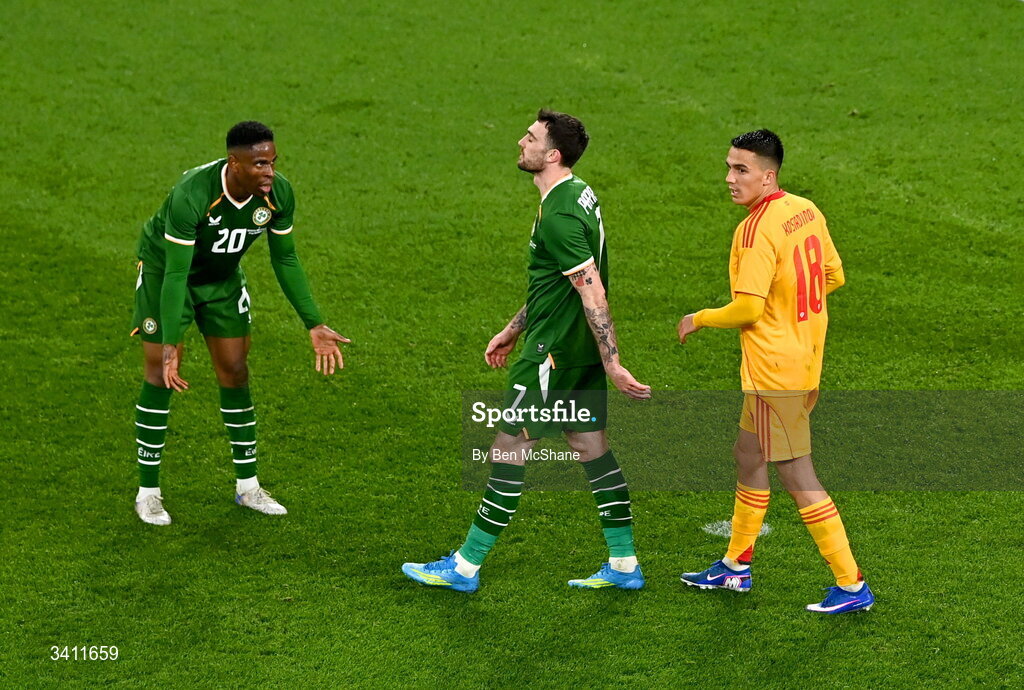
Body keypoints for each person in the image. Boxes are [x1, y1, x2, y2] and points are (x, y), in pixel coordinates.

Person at [402, 110, 651, 592]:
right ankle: (624, 565)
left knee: (509, 446)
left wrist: (613, 362)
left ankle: (465, 566)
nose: (521, 141)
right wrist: (514, 326)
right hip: (569, 346)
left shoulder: (558, 214)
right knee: (589, 446)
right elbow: (559, 282)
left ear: (552, 155)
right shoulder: (578, 193)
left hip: (552, 354)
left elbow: (591, 290)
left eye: (532, 138)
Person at [677, 129, 874, 614]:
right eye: (728, 167)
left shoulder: (755, 229)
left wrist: (698, 318)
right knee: (748, 453)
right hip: (805, 362)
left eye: (741, 170)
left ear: (769, 175)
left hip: (774, 375)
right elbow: (834, 275)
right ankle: (735, 566)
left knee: (797, 475)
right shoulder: (805, 209)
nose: (729, 178)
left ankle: (852, 586)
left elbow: (746, 310)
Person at [130, 121, 349, 526]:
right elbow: (177, 275)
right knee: (159, 374)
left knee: (234, 370)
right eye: (260, 164)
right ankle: (148, 492)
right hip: (167, 275)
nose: (269, 172)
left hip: (221, 279)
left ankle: (248, 487)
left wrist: (313, 323)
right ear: (234, 162)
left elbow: (285, 258)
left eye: (273, 162)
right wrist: (171, 342)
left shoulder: (278, 194)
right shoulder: (192, 196)